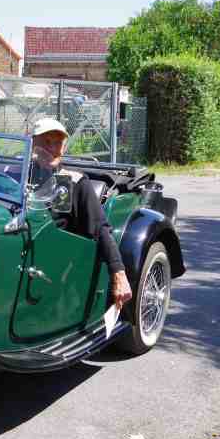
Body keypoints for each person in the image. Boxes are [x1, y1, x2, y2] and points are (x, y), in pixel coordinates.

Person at [30, 118, 132, 310]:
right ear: (32, 143)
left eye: (58, 142)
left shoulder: (67, 182)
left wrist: (119, 273)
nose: (51, 148)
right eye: (46, 141)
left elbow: (99, 228)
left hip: (51, 258)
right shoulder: (20, 173)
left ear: (64, 146)